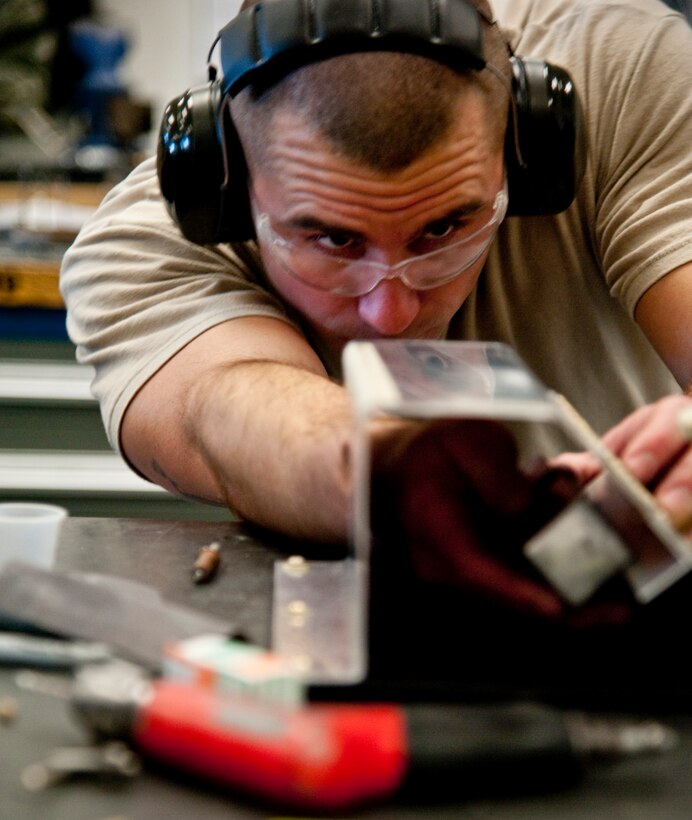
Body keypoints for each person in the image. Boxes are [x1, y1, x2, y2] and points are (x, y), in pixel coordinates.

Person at [60, 0, 692, 622]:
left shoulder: (626, 80)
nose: (389, 313)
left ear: (527, 154)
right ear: (227, 191)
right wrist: (394, 474)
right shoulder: (143, 246)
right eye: (332, 240)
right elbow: (226, 412)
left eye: (446, 227)